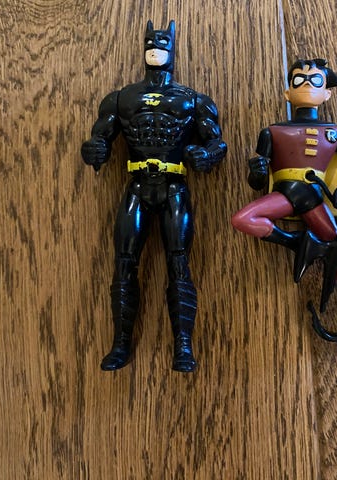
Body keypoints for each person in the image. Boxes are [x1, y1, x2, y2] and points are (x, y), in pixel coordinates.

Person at [81, 20, 227, 372]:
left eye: (163, 41)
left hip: (174, 186)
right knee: (124, 261)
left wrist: (206, 156)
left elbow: (217, 142)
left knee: (179, 262)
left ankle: (183, 346)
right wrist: (94, 149)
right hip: (137, 185)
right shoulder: (122, 98)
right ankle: (120, 343)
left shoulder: (192, 100)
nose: (156, 46)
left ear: (172, 47)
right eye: (151, 40)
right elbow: (100, 137)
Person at [232, 58, 337, 328]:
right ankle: (296, 242)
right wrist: (257, 172)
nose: (307, 85)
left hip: (314, 198)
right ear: (288, 93)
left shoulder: (331, 133)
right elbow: (257, 181)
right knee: (242, 219)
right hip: (285, 194)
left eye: (315, 81)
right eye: (299, 80)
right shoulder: (272, 132)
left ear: (326, 93)